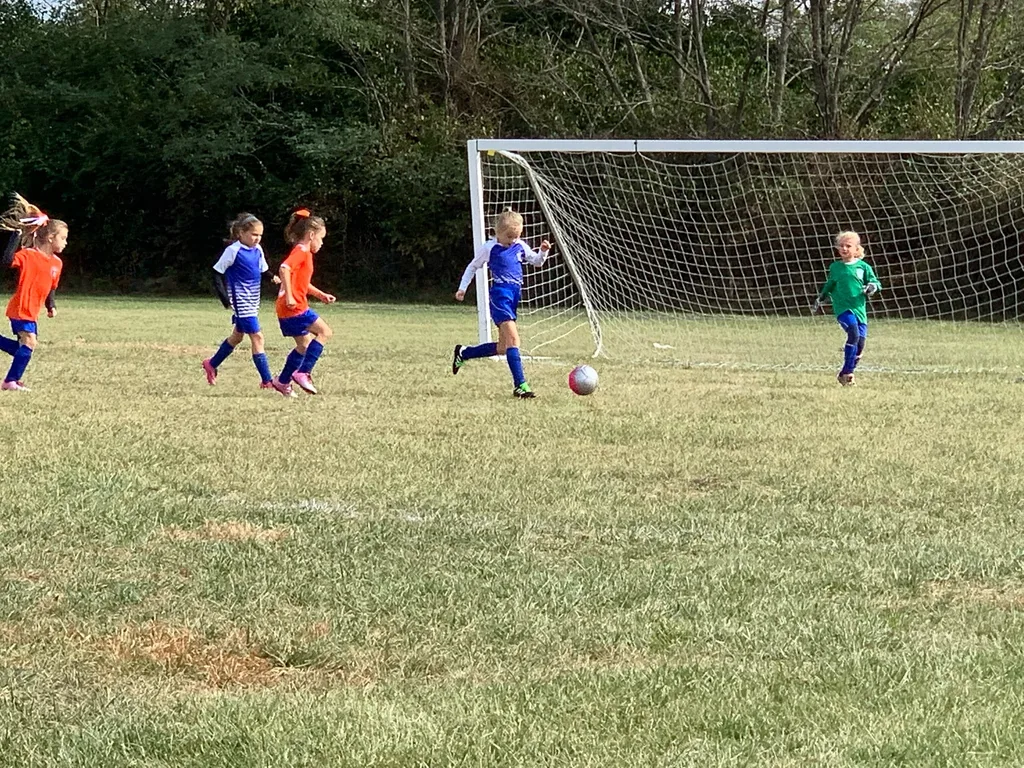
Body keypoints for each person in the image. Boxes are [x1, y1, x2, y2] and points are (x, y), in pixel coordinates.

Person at [451, 209, 550, 398]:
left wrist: (543, 252)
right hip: (500, 296)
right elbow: (472, 266)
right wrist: (463, 288)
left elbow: (536, 262)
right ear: (498, 232)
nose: (513, 240)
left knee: (504, 347)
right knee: (514, 340)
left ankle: (464, 353)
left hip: (514, 296)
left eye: (517, 236)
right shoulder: (489, 248)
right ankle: (520, 385)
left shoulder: (520, 245)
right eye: (509, 236)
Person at [0, 194, 66, 392]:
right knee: (30, 342)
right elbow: (5, 261)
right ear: (50, 237)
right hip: (20, 308)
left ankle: (12, 380)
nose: (65, 243)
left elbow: (51, 287)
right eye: (63, 238)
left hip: (32, 312)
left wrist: (51, 305)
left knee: (23, 348)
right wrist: (16, 235)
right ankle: (10, 381)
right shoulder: (28, 255)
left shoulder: (57, 263)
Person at [202, 213, 275, 389]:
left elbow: (263, 270)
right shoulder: (233, 251)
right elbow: (217, 272)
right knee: (257, 337)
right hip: (241, 303)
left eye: (260, 235)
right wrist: (224, 298)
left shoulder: (258, 250)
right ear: (241, 233)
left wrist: (274, 278)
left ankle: (211, 364)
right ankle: (267, 380)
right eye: (253, 234)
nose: (257, 238)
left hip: (253, 301)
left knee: (236, 337)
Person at [271, 208, 335, 397]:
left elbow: (302, 282)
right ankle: (303, 372)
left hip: (287, 308)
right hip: (294, 306)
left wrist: (320, 294)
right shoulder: (302, 251)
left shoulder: (302, 252)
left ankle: (282, 382)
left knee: (304, 345)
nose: (322, 243)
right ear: (311, 234)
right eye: (321, 239)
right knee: (325, 332)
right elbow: (284, 269)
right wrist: (290, 296)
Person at [812, 230, 882, 386]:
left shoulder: (864, 267)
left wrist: (871, 287)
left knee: (860, 343)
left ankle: (845, 373)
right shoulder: (835, 267)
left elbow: (876, 283)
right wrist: (821, 298)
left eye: (848, 246)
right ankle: (849, 374)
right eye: (841, 246)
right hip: (843, 309)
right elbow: (829, 284)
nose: (844, 249)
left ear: (857, 249)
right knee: (853, 332)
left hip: (860, 310)